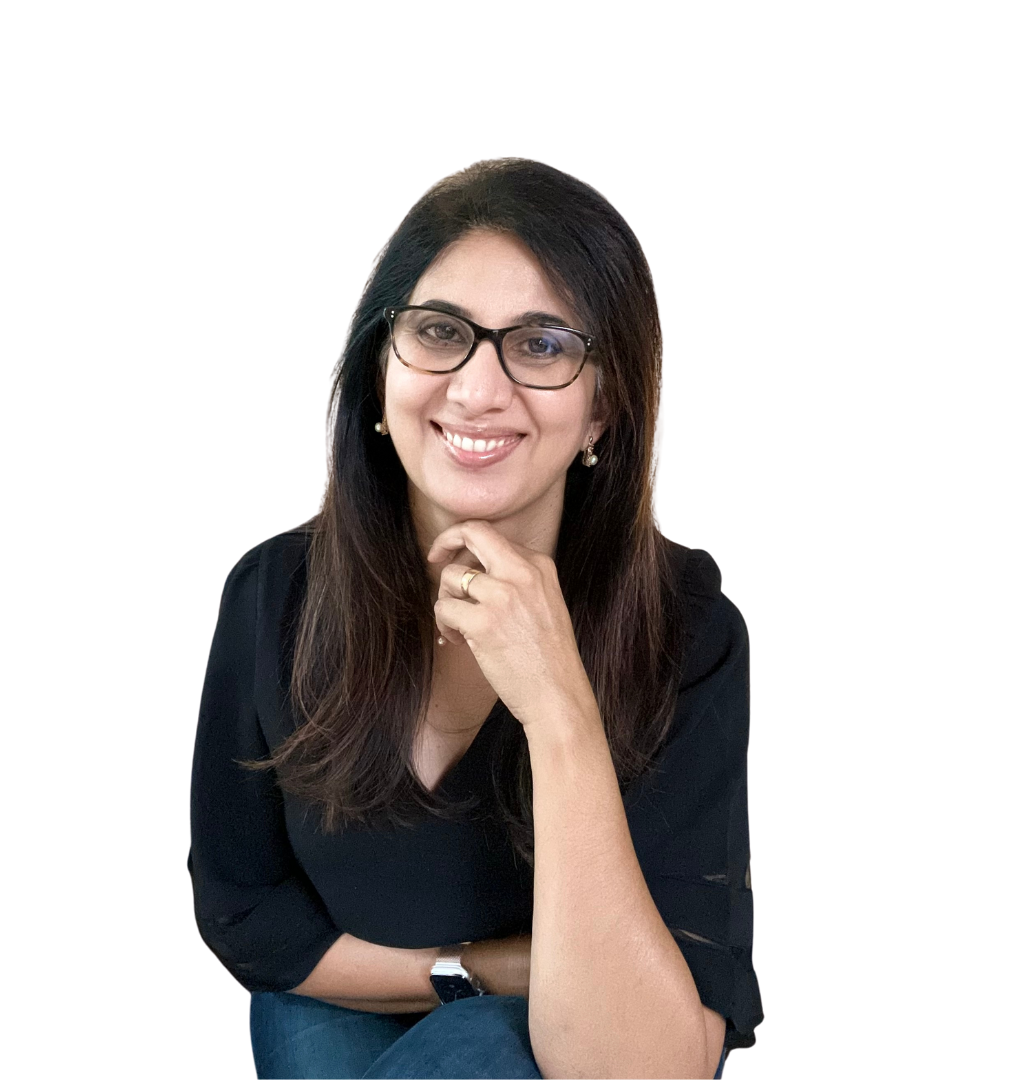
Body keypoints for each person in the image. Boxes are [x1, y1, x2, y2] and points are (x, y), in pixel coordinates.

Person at [188, 158, 763, 1079]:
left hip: (577, 1048)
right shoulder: (277, 593)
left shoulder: (684, 633)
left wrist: (559, 709)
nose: (477, 389)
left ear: (603, 407)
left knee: (484, 1048)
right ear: (380, 368)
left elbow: (654, 1065)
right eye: (439, 332)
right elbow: (246, 913)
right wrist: (482, 972)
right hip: (332, 1011)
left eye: (541, 345)